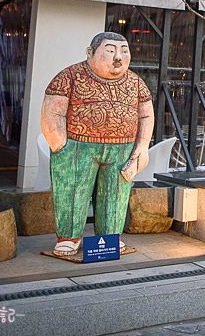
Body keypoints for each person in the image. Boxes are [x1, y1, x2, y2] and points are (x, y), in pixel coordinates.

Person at [40, 32, 154, 257]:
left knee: (115, 195)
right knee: (72, 194)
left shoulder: (136, 83)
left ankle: (109, 238)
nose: (118, 57)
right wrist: (60, 144)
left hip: (122, 149)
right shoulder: (69, 76)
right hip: (76, 148)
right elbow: (53, 110)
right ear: (90, 53)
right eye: (110, 51)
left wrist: (141, 147)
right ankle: (68, 237)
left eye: (123, 51)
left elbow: (146, 116)